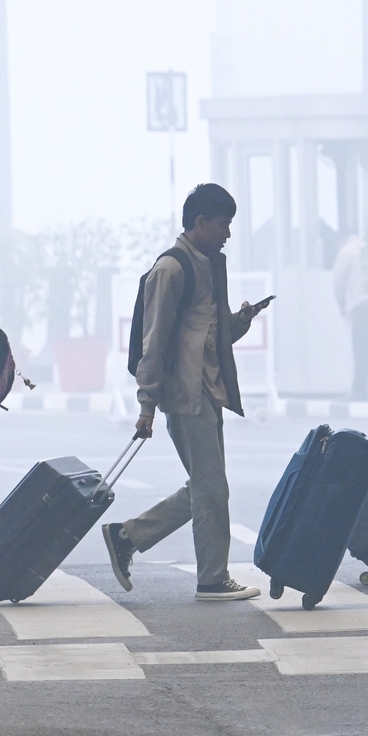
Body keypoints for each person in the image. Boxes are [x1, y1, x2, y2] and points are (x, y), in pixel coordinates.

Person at [101, 183, 266, 601]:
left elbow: (208, 332)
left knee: (205, 486)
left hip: (210, 391)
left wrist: (242, 320)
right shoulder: (171, 270)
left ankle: (126, 537)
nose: (228, 234)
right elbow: (154, 343)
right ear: (200, 222)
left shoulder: (209, 265)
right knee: (212, 489)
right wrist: (147, 405)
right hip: (186, 394)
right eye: (224, 224)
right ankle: (212, 579)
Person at [332, 233, 368, 398]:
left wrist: (341, 304)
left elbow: (338, 281)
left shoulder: (346, 252)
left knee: (361, 350)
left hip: (360, 306)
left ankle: (359, 391)